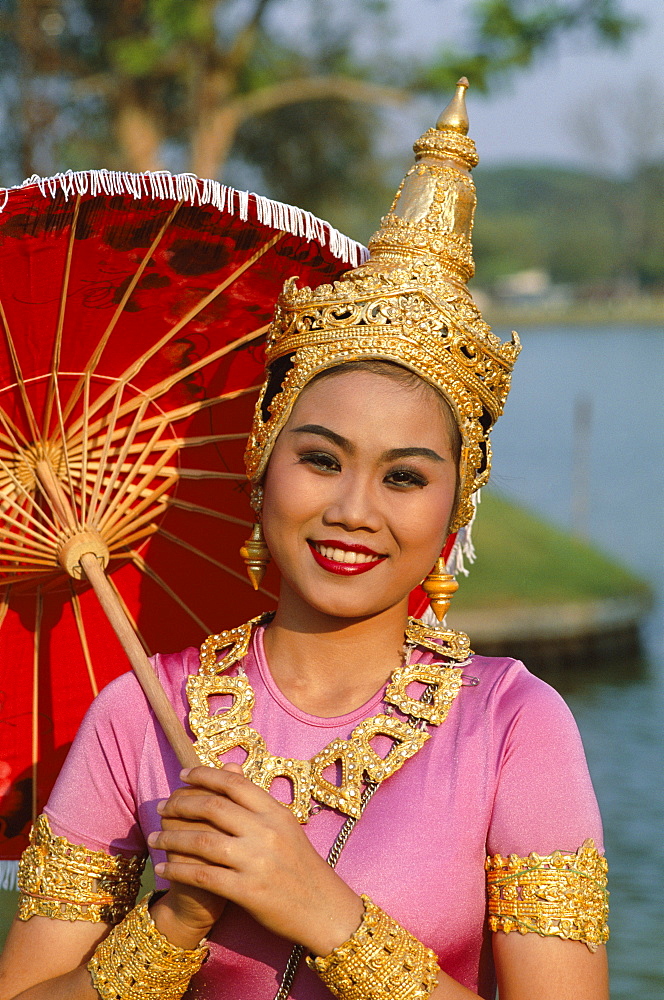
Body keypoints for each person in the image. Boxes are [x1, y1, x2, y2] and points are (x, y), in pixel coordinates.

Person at [0, 80, 608, 1000]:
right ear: (262, 464)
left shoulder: (514, 728)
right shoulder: (138, 716)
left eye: (404, 476)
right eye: (321, 460)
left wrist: (323, 910)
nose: (354, 510)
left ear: (454, 509)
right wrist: (173, 925)